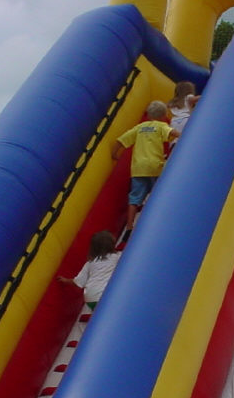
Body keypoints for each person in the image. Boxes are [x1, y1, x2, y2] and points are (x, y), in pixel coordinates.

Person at [111, 100, 180, 241]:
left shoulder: (140, 128)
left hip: (138, 168)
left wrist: (114, 154)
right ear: (163, 116)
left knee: (134, 199)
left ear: (149, 115)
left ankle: (129, 227)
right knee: (158, 194)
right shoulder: (161, 126)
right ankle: (157, 222)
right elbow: (174, 133)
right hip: (155, 166)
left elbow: (120, 141)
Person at [56, 230, 120, 310]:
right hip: (106, 294)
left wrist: (65, 280)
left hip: (91, 298)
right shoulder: (117, 257)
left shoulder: (90, 263)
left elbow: (78, 282)